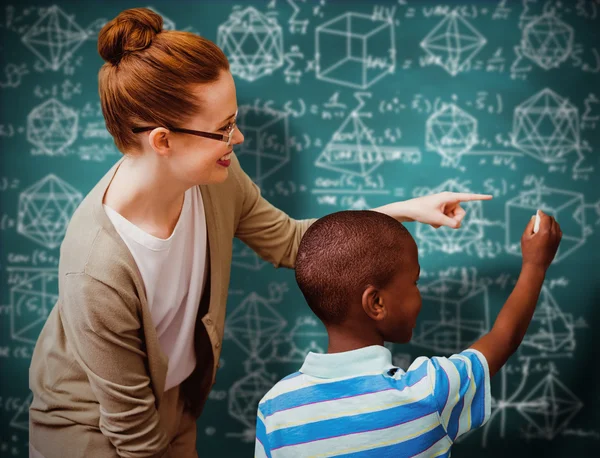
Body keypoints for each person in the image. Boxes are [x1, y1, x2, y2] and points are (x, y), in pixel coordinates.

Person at [28, 7, 492, 458]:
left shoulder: (213, 180)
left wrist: (404, 211)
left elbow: (293, 241)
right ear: (163, 141)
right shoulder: (97, 267)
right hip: (92, 428)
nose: (238, 139)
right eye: (223, 128)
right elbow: (130, 431)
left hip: (171, 403)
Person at [255, 209, 562, 457]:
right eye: (415, 282)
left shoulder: (275, 408)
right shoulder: (428, 391)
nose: (420, 295)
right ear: (376, 303)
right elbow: (504, 338)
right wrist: (535, 265)